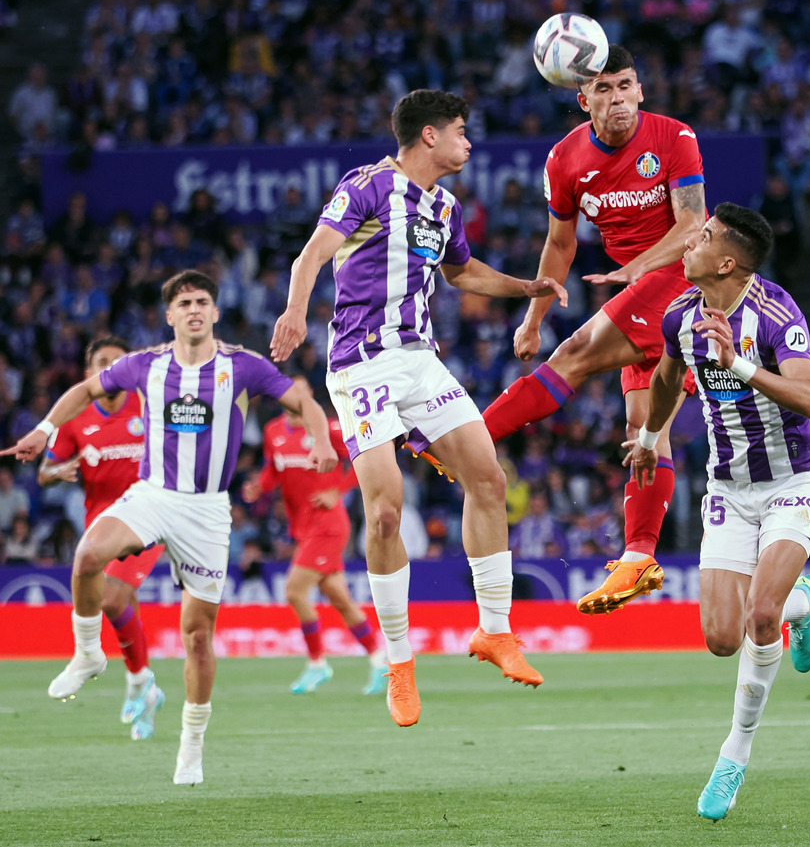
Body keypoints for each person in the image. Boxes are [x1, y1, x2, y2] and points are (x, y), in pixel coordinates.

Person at [270, 89, 568, 728]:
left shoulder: (446, 206)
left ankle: (494, 630)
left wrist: (524, 287)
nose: (468, 142)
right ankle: (399, 664)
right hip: (362, 363)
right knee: (384, 512)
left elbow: (460, 274)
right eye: (461, 131)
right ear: (429, 136)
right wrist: (295, 310)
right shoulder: (370, 185)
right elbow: (313, 253)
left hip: (420, 359)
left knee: (488, 477)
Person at [1, 270, 337, 785]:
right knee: (88, 555)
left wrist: (320, 441)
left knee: (197, 637)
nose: (194, 309)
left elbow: (304, 403)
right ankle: (88, 652)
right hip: (154, 494)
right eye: (184, 303)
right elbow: (85, 389)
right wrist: (43, 430)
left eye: (203, 301)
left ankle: (191, 744)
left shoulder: (241, 366)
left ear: (216, 311)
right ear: (170, 314)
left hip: (206, 510)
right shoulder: (145, 365)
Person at [479, 44, 707, 615]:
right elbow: (560, 244)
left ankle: (467, 440)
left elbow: (693, 224)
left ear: (640, 90)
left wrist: (639, 267)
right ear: (583, 100)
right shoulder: (565, 160)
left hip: (681, 280)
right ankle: (638, 556)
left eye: (626, 84)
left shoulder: (674, 138)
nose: (619, 98)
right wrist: (532, 317)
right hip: (632, 292)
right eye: (604, 89)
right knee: (642, 434)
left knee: (575, 352)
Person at [623, 203, 810, 820]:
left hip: (793, 479)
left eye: (703, 237)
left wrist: (740, 363)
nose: (690, 241)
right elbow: (664, 378)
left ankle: (734, 752)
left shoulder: (774, 313)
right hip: (729, 490)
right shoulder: (681, 315)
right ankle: (806, 599)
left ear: (727, 261)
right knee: (721, 638)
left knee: (760, 616)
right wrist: (648, 436)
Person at [38, 336, 166, 740]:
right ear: (89, 374)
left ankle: (130, 681)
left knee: (111, 597)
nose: (110, 368)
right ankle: (146, 691)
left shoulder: (147, 407)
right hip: (101, 525)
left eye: (117, 362)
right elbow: (44, 471)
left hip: (149, 517)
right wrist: (58, 472)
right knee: (123, 607)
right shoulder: (76, 420)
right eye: (102, 363)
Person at [242, 381, 388, 696]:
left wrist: (339, 489)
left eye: (305, 392)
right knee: (340, 598)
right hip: (304, 527)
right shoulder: (273, 431)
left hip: (328, 524)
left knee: (294, 590)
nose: (300, 397)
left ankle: (317, 663)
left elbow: (363, 453)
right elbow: (273, 470)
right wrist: (260, 487)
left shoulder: (327, 429)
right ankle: (380, 661)